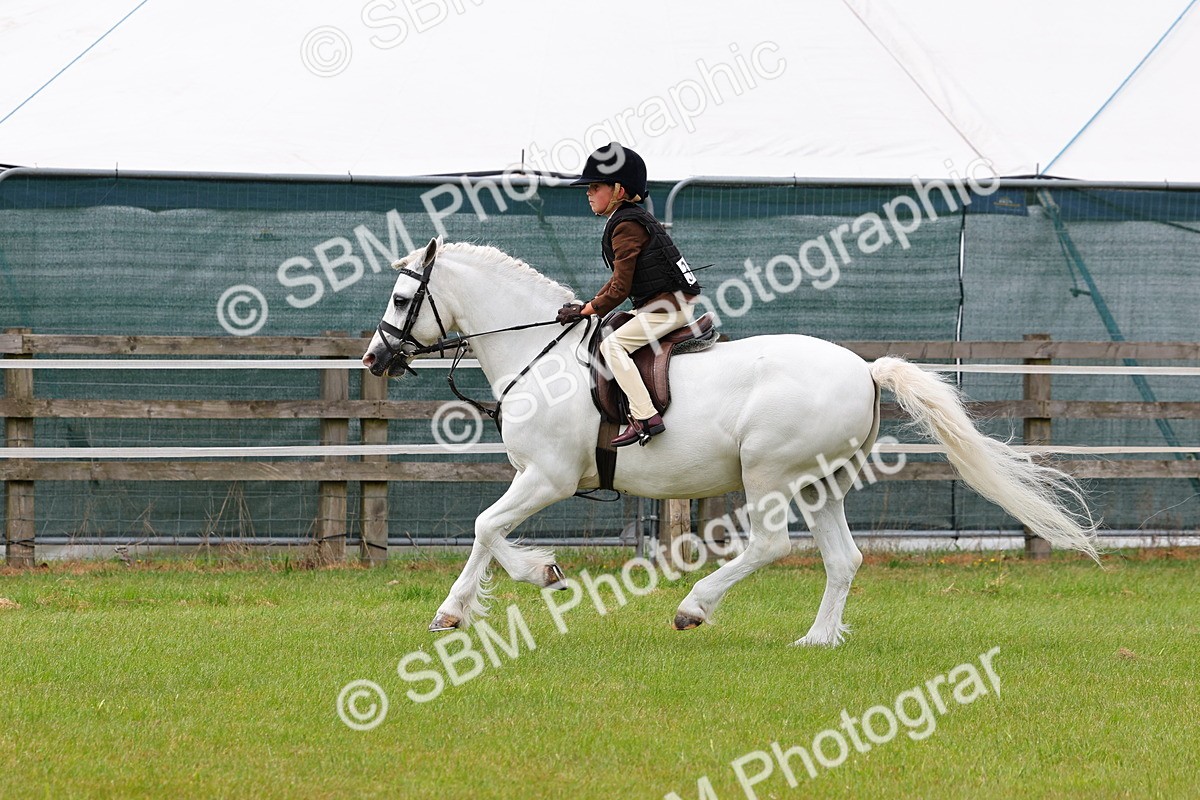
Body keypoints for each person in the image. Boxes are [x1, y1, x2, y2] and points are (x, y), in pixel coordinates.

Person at [557, 143, 702, 447]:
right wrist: (588, 306)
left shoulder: (626, 226)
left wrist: (587, 311)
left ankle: (645, 416)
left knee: (613, 347)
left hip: (666, 308)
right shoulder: (628, 219)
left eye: (595, 186)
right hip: (660, 304)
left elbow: (620, 288)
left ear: (619, 190)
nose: (588, 192)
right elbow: (617, 283)